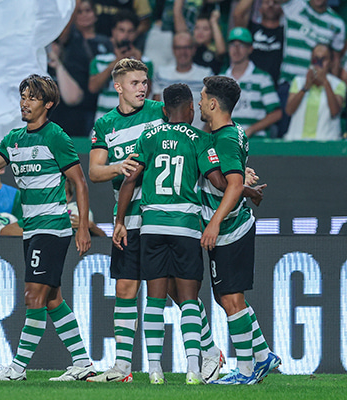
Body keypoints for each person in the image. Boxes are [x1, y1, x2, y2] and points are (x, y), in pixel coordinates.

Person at [87, 59, 225, 384]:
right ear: (118, 86)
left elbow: (189, 139)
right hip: (128, 218)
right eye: (134, 83)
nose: (142, 88)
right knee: (125, 287)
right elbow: (94, 171)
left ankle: (209, 350)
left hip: (155, 216)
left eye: (144, 82)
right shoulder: (105, 124)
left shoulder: (160, 112)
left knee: (175, 291)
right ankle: (122, 367)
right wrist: (121, 166)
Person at [0, 74, 96, 382]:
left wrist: (83, 228)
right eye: (23, 96)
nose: (25, 102)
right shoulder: (13, 139)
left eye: (32, 98)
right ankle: (83, 362)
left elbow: (80, 183)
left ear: (48, 104)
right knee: (52, 298)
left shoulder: (56, 136)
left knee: (33, 296)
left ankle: (17, 369)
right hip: (31, 229)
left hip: (52, 226)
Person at [199, 75, 281, 384]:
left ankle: (246, 371)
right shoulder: (230, 133)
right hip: (233, 227)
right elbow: (231, 178)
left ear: (213, 104)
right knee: (228, 298)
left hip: (230, 229)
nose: (199, 103)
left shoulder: (225, 138)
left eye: (202, 97)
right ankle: (263, 355)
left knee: (231, 300)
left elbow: (233, 185)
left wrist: (214, 223)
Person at [277, 0, 345, 136]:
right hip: (290, 82)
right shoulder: (295, 5)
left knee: (322, 131)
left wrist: (331, 83)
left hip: (321, 85)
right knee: (287, 135)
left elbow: (336, 59)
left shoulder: (337, 23)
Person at [48, 0, 113, 136]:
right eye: (79, 12)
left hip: (97, 102)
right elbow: (63, 31)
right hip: (72, 103)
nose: (84, 15)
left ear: (95, 15)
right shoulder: (70, 38)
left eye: (88, 11)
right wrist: (75, 4)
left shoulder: (106, 42)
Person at [88, 10, 153, 122]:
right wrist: (116, 63)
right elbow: (93, 88)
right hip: (105, 123)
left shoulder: (145, 62)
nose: (125, 36)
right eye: (121, 30)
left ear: (135, 33)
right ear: (113, 31)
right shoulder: (100, 60)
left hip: (133, 123)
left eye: (130, 31)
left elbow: (147, 94)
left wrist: (138, 62)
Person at [223, 28, 281, 138]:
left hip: (256, 141)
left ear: (250, 49)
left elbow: (276, 113)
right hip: (228, 142)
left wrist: (251, 129)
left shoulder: (262, 78)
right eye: (233, 45)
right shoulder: (220, 79)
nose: (236, 49)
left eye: (241, 45)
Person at [284, 43, 346, 141]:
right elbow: (289, 110)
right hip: (298, 141)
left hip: (326, 142)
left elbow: (335, 112)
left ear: (330, 62)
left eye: (323, 59)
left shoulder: (338, 85)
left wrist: (325, 83)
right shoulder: (299, 81)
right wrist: (305, 87)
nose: (319, 63)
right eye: (315, 59)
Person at [152, 32, 214, 129]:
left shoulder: (206, 75)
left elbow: (212, 110)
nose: (183, 52)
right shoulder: (161, 74)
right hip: (168, 134)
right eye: (179, 48)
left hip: (198, 135)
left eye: (187, 47)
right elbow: (156, 109)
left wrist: (204, 136)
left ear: (194, 49)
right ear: (173, 50)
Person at [233, 0, 284, 87]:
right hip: (251, 84)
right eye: (266, 2)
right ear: (259, 8)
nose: (270, 5)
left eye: (275, 2)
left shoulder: (286, 31)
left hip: (276, 85)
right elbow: (238, 14)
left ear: (282, 10)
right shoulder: (251, 29)